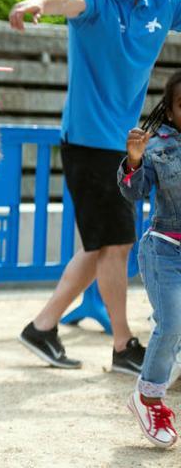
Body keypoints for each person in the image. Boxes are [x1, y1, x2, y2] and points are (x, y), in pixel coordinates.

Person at [10, 0, 181, 372]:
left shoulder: (163, 2)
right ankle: (123, 345)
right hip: (89, 141)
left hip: (121, 142)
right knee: (117, 244)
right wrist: (39, 2)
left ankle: (42, 327)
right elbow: (66, 0)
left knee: (100, 245)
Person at [118, 71, 181, 448]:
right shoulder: (158, 146)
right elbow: (133, 193)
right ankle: (149, 397)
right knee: (171, 323)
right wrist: (134, 161)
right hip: (164, 249)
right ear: (171, 111)